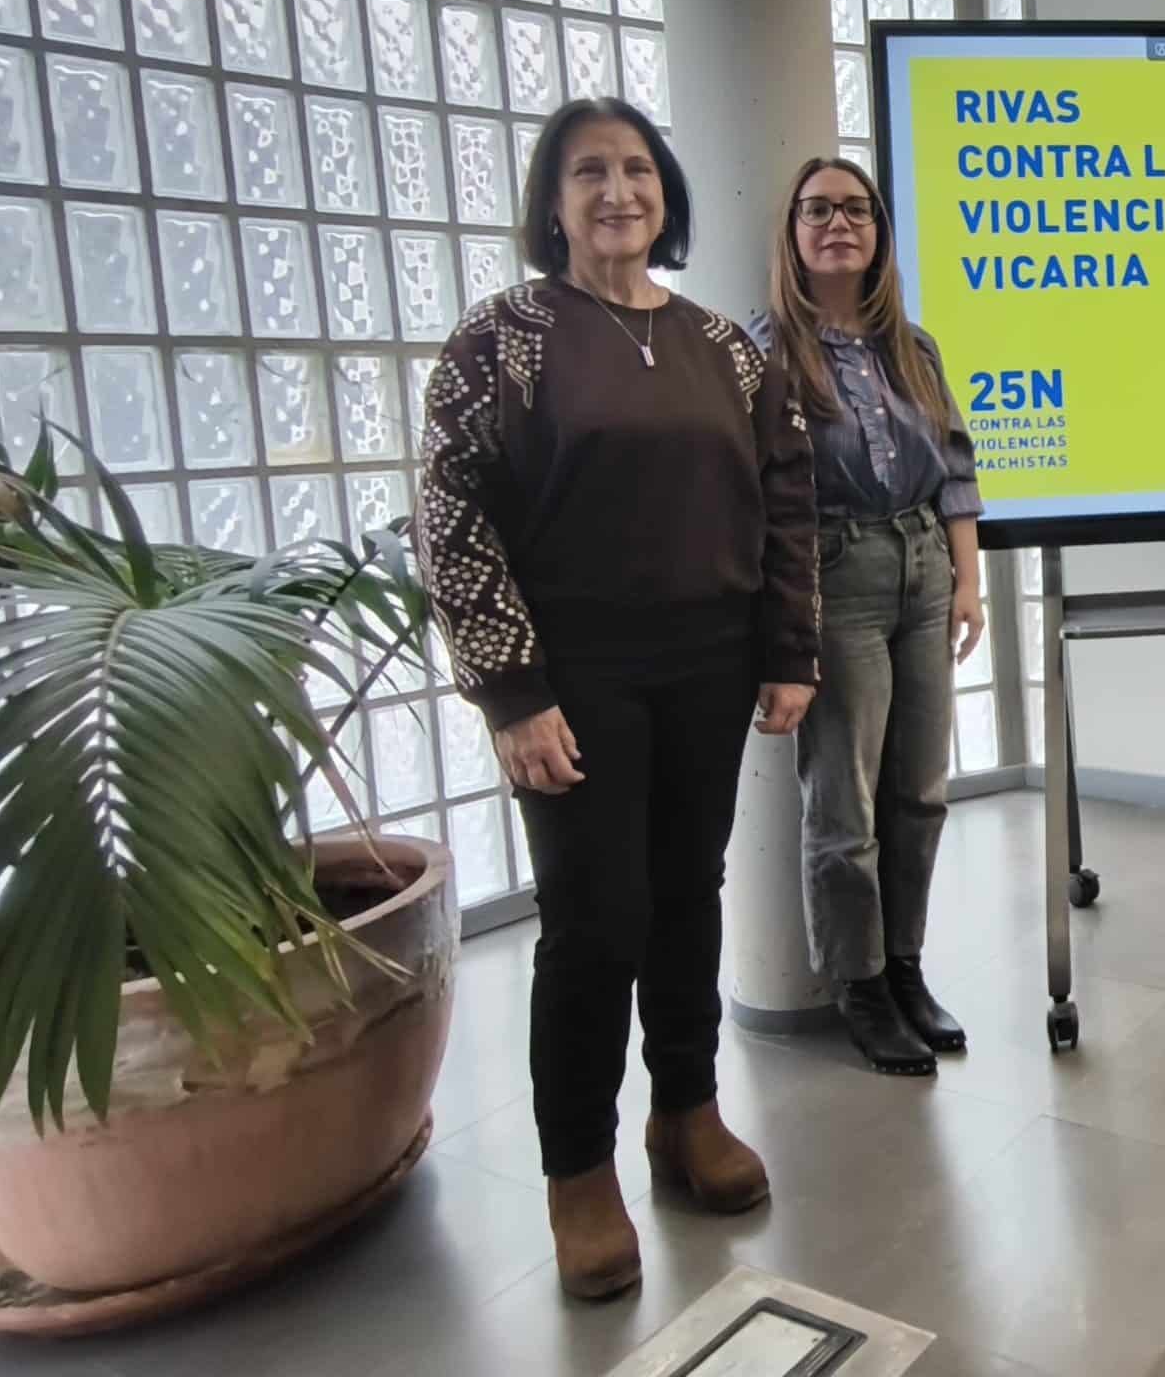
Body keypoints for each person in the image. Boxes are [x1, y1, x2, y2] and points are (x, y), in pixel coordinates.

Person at [418, 99, 819, 1300]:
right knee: (597, 920)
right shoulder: (506, 337)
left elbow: (786, 497)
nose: (616, 192)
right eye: (587, 173)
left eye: (636, 169)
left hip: (708, 665)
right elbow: (449, 517)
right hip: (572, 678)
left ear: (666, 193)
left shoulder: (727, 348)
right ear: (552, 203)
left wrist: (789, 648)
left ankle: (686, 1115)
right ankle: (578, 1173)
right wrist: (511, 692)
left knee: (690, 896)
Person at [750, 157, 987, 1080]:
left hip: (925, 566)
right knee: (843, 805)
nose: (838, 223)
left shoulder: (911, 347)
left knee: (921, 792)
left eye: (856, 209)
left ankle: (906, 967)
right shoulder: (765, 351)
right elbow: (760, 497)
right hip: (834, 575)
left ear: (880, 232)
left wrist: (967, 582)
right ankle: (860, 987)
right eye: (818, 209)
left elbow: (957, 468)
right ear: (794, 232)